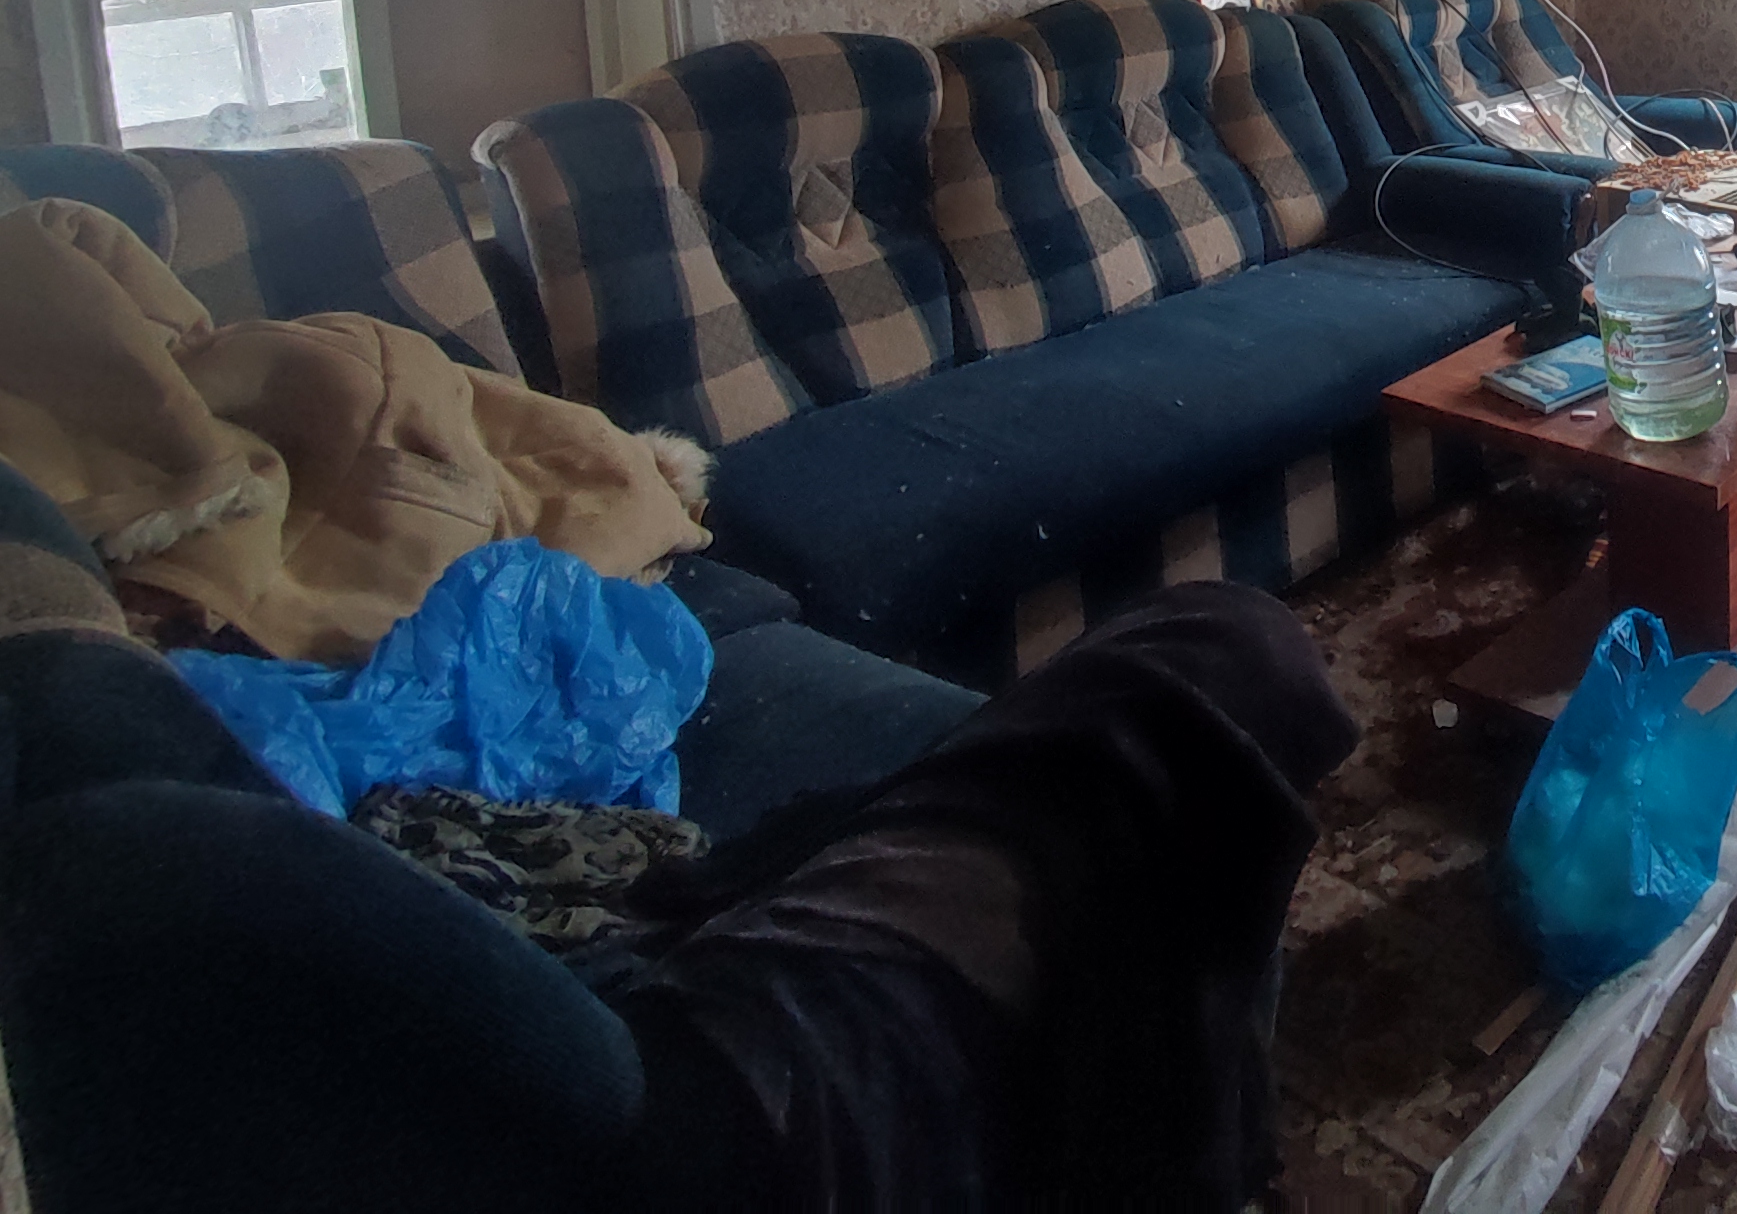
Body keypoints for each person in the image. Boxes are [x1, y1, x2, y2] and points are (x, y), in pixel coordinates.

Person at [0, 455, 1355, 1214]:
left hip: (724, 1030)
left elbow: (132, 838)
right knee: (1230, 655)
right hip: (777, 1086)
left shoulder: (136, 895)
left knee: (72, 710)